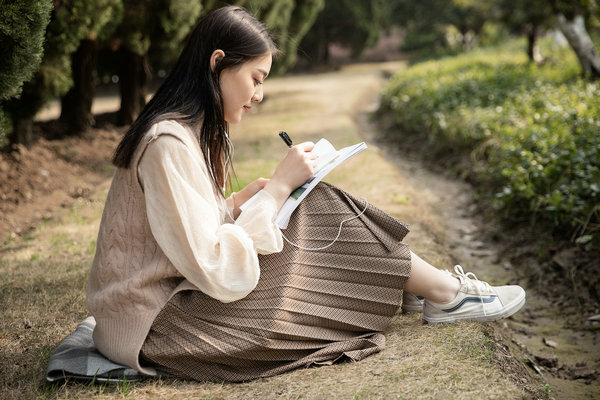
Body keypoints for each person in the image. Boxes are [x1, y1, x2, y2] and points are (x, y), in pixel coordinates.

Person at [86, 5, 526, 383]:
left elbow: (180, 229)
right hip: (160, 328)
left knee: (308, 199)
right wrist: (276, 189)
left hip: (169, 310)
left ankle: (424, 287)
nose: (258, 95)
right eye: (256, 78)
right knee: (312, 205)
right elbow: (216, 268)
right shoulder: (168, 141)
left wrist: (241, 201)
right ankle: (442, 293)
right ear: (218, 62)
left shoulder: (184, 133)